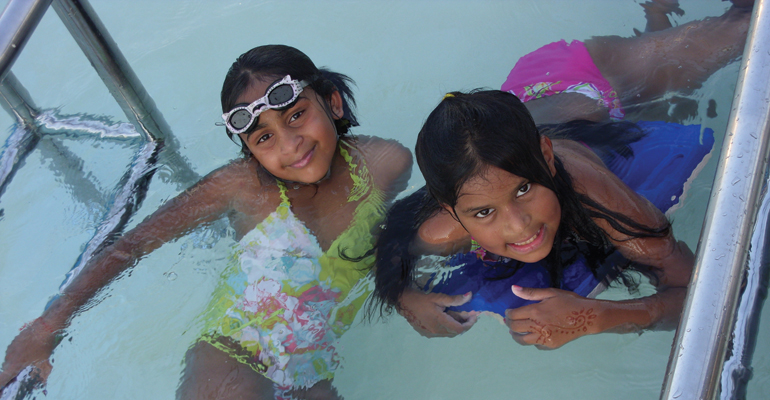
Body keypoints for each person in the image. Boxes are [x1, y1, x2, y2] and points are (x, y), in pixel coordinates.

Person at [0, 45, 412, 399]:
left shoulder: (386, 163)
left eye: (296, 115)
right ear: (250, 152)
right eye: (264, 138)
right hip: (233, 356)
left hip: (315, 365)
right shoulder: (239, 185)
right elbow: (134, 245)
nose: (290, 144)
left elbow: (390, 240)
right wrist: (48, 325)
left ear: (333, 102)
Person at [370, 1, 752, 347]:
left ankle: (658, 13)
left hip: (584, 84)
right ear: (451, 213)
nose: (519, 227)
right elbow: (388, 244)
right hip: (516, 118)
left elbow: (700, 294)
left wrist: (595, 317)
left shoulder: (593, 190)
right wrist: (406, 298)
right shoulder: (438, 229)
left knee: (742, 29)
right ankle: (657, 21)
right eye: (484, 212)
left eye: (523, 189)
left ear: (548, 159)